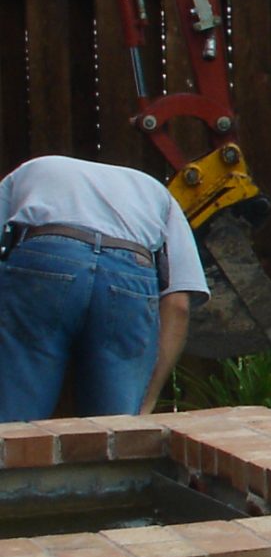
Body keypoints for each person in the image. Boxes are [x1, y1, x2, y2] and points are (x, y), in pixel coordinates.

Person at [0, 154, 208, 421]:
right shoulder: (157, 192)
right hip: (130, 270)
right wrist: (146, 401)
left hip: (46, 257)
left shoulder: (32, 168)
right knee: (115, 430)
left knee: (14, 425)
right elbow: (178, 305)